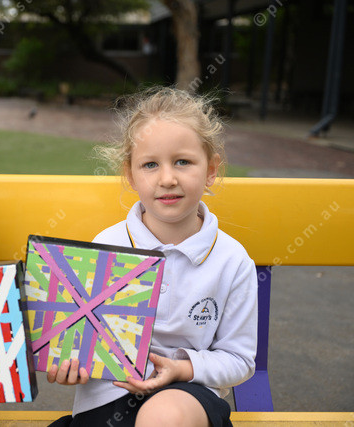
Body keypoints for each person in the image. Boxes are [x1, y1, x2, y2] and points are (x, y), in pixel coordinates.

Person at [47, 87, 257, 427]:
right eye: (150, 165)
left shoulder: (232, 260)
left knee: (163, 417)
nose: (167, 178)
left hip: (188, 395)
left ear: (211, 169)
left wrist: (182, 368)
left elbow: (239, 360)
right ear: (130, 174)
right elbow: (80, 344)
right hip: (108, 397)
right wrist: (71, 365)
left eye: (183, 162)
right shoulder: (106, 246)